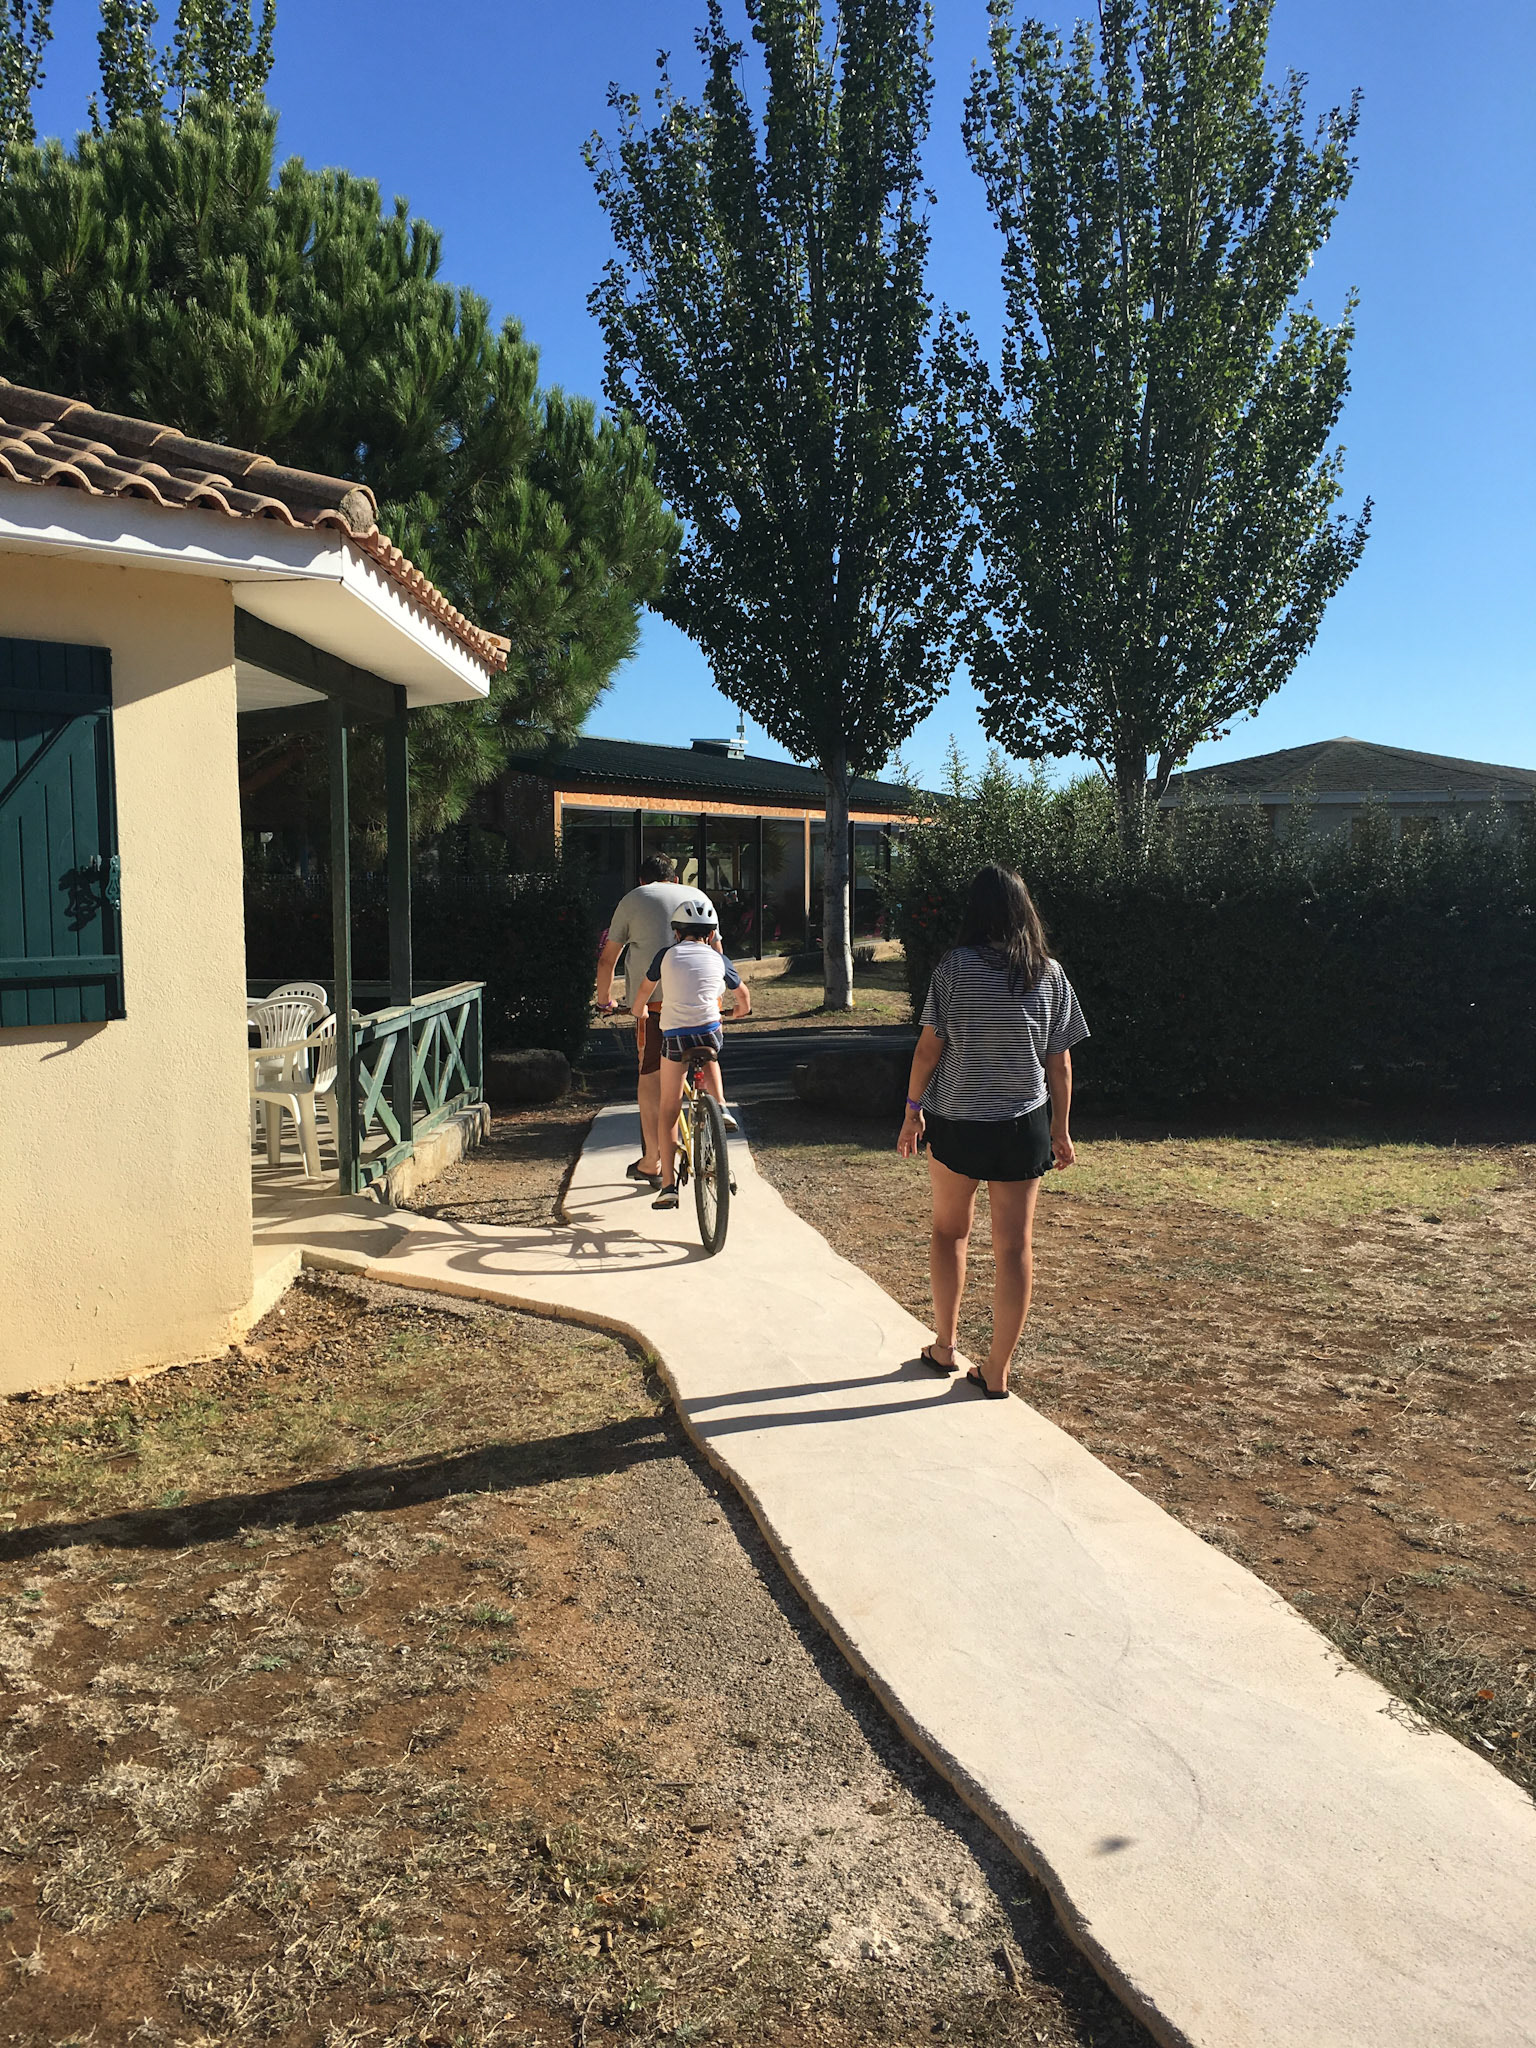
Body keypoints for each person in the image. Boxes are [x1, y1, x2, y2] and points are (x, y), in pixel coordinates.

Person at [896, 864, 1088, 1400]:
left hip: (958, 1120)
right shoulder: (1049, 973)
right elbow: (1060, 1062)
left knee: (949, 1231)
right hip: (1023, 1126)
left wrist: (912, 1111)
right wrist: (1061, 1130)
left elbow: (928, 1049)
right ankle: (997, 1370)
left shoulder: (954, 967)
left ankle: (944, 1346)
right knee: (1015, 1247)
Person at [630, 896, 751, 1210]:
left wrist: (640, 1010)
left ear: (676, 933)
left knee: (669, 1106)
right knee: (712, 1052)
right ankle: (721, 1106)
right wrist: (738, 1011)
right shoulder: (719, 959)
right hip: (709, 1031)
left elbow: (644, 992)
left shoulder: (665, 955)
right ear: (710, 935)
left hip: (675, 1035)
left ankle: (668, 1186)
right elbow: (744, 996)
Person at [595, 855, 702, 1185]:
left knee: (652, 1080)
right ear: (675, 878)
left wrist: (604, 1001)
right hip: (702, 1007)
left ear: (643, 881)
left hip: (655, 1006)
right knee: (702, 1063)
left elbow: (607, 960)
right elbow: (718, 953)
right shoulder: (698, 897)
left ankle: (653, 1161)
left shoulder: (634, 899)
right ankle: (716, 1113)